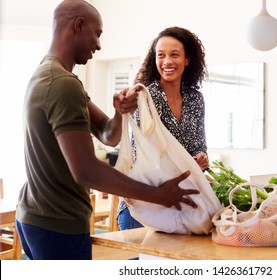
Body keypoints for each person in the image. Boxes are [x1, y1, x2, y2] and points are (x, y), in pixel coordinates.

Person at [15, 0, 199, 260]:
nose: (99, 45)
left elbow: (108, 136)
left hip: (36, 218)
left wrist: (119, 113)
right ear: (79, 25)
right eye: (97, 34)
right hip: (57, 222)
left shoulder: (51, 76)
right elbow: (86, 170)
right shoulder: (61, 83)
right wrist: (158, 195)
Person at [117, 26, 209, 230]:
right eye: (161, 55)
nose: (167, 61)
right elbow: (143, 159)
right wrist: (186, 166)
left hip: (180, 206)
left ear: (187, 59)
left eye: (174, 55)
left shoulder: (195, 99)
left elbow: (199, 149)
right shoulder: (145, 98)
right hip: (144, 205)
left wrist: (201, 159)